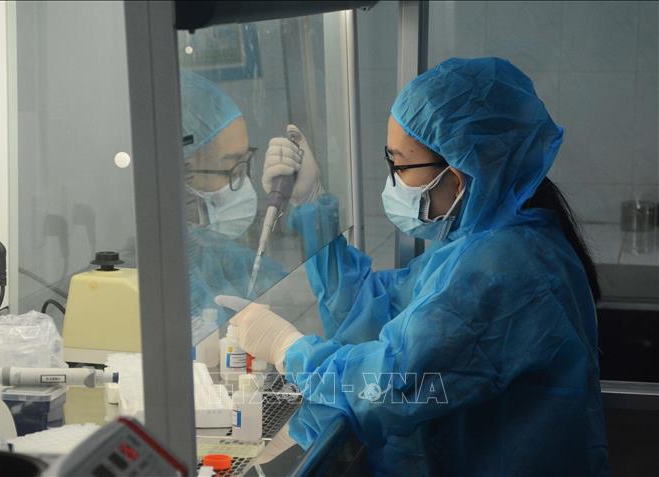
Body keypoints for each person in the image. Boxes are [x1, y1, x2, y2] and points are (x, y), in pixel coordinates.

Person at [218, 57, 609, 476]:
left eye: (400, 166)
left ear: (457, 177)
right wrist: (313, 207)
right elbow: (379, 308)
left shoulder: (503, 267)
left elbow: (393, 384)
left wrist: (288, 349)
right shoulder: (485, 243)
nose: (393, 180)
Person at [179, 70, 285, 333]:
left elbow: (292, 289)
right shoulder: (155, 278)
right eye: (231, 168)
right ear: (181, 173)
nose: (243, 182)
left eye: (244, 163)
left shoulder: (208, 251)